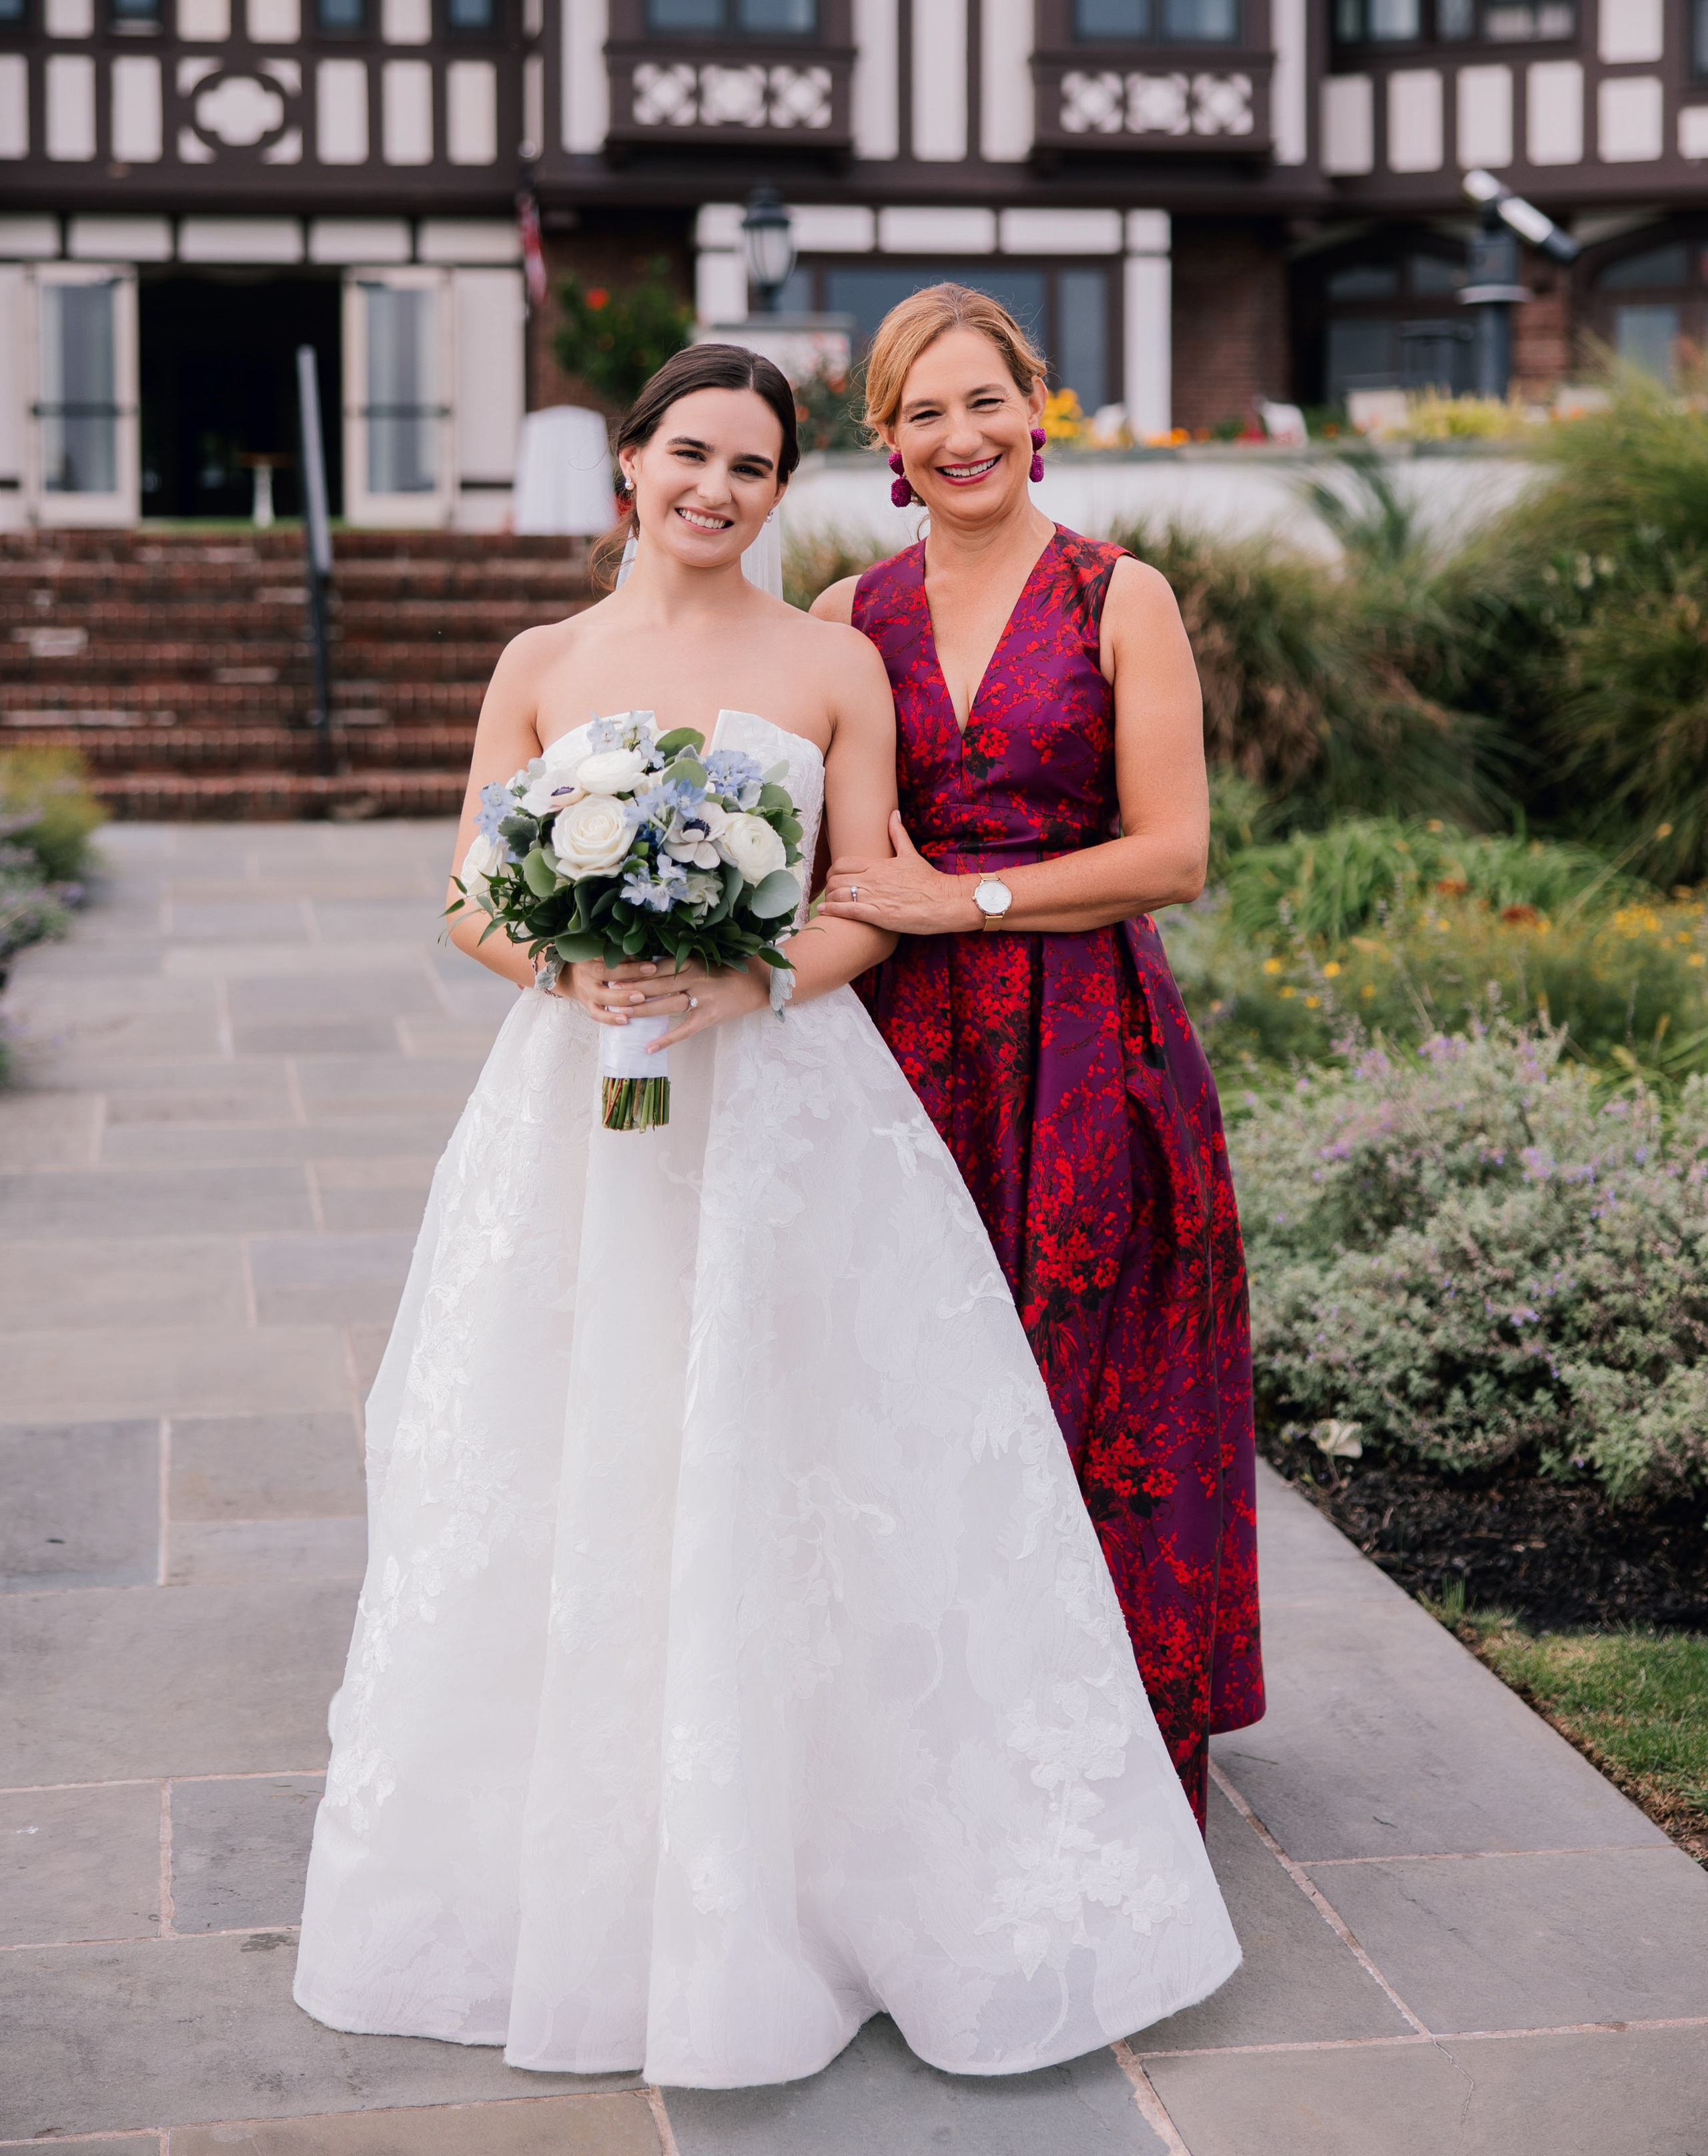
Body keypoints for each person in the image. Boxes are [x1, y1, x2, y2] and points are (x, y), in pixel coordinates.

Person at [292, 342, 1240, 2089]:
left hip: (782, 1094)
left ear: (785, 488)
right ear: (630, 469)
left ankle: (812, 1847)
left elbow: (870, 897)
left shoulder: (831, 659)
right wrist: (570, 963)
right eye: (692, 457)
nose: (718, 491)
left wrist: (750, 979)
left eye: (752, 468)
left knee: (795, 1450)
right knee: (565, 1437)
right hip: (579, 1103)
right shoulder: (539, 662)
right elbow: (464, 896)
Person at [813, 288, 1264, 1829]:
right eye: (922, 414)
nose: (960, 438)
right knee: (913, 1378)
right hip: (896, 1052)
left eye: (983, 403)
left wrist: (971, 897)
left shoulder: (1114, 597)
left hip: (1086, 1040)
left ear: (1036, 408)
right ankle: (932, 1748)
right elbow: (826, 860)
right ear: (883, 440)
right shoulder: (843, 622)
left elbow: (1174, 852)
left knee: (1096, 1375)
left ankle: (1103, 1746)